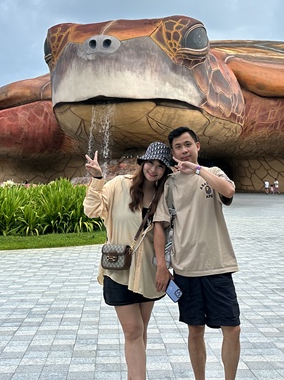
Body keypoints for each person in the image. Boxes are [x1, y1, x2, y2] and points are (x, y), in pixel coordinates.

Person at [153, 127, 241, 380]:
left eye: (188, 144)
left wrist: (199, 171)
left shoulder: (213, 173)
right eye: (178, 147)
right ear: (173, 153)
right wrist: (162, 265)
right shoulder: (169, 184)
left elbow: (229, 191)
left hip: (218, 265)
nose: (184, 150)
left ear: (198, 146)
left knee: (232, 328)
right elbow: (160, 225)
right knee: (195, 330)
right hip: (186, 268)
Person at [83, 141, 172, 380]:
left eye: (160, 166)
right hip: (119, 271)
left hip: (147, 274)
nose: (153, 169)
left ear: (165, 171)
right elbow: (91, 210)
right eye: (150, 163)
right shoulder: (119, 185)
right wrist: (97, 178)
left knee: (140, 332)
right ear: (142, 163)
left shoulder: (163, 195)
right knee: (133, 331)